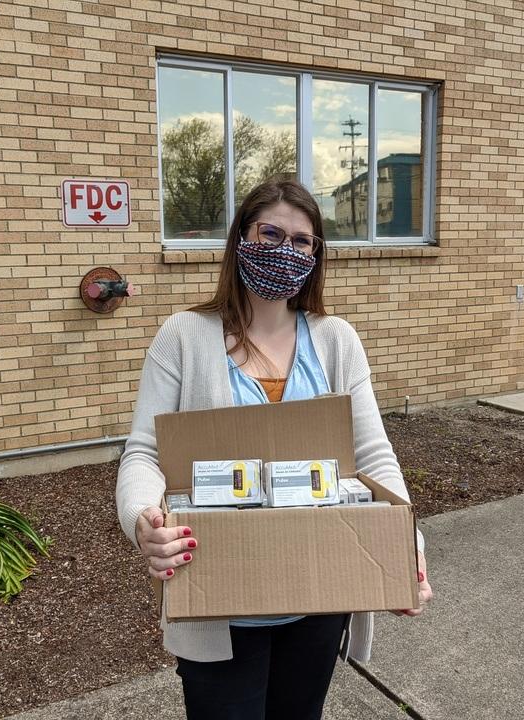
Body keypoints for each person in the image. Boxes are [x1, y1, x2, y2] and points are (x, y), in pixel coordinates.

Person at [116, 179, 432, 719]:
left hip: (321, 590)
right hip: (219, 597)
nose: (286, 251)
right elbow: (145, 452)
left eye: (302, 241)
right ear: (242, 237)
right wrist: (143, 519)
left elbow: (373, 455)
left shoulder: (336, 340)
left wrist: (407, 545)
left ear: (316, 254)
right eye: (271, 234)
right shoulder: (184, 336)